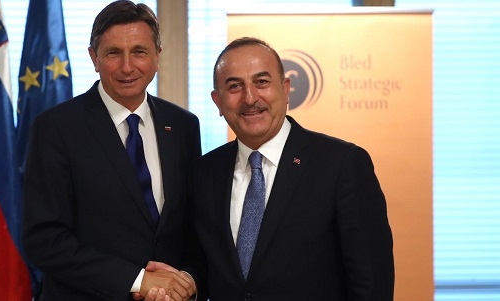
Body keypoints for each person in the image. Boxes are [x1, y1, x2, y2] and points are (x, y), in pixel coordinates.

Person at [188, 37, 394, 300]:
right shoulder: (205, 173)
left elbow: (372, 284)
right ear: (217, 102)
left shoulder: (342, 165)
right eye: (234, 86)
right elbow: (203, 266)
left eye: (262, 82)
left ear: (285, 90)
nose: (250, 98)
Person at [22, 1, 201, 300]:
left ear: (157, 56)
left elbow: (195, 227)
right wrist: (136, 280)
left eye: (140, 52)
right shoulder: (56, 127)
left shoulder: (183, 126)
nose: (128, 66)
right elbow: (44, 240)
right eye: (114, 53)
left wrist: (187, 281)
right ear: (94, 58)